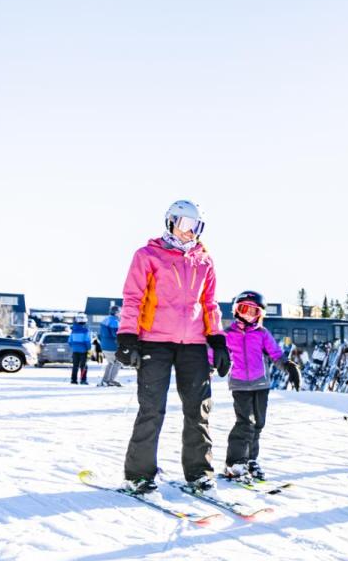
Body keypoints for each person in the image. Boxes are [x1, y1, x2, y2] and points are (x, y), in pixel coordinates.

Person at [115, 200, 228, 494]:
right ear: (171, 222)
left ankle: (199, 473)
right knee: (152, 408)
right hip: (155, 340)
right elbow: (133, 297)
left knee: (198, 411)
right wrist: (127, 336)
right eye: (187, 224)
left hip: (193, 343)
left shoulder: (204, 260)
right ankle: (138, 474)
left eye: (198, 226)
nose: (192, 232)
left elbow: (209, 303)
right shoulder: (148, 255)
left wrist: (217, 339)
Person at [217, 291, 301, 480]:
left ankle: (250, 459)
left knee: (258, 423)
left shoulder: (262, 334)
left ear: (259, 315)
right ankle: (234, 462)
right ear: (236, 311)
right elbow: (214, 355)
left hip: (261, 384)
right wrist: (208, 365)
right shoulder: (228, 334)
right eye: (243, 309)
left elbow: (276, 355)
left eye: (253, 311)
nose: (248, 314)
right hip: (239, 385)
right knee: (244, 423)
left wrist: (289, 367)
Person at [97, 305, 123, 387]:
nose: (121, 314)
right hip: (112, 346)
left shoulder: (105, 320)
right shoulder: (114, 322)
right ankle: (111, 380)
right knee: (118, 362)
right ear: (116, 313)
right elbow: (116, 335)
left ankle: (106, 380)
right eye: (120, 312)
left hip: (105, 346)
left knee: (111, 363)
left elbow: (99, 335)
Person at [68, 314, 92, 384]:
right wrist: (89, 348)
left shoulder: (73, 330)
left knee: (75, 366)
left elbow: (69, 341)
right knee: (83, 366)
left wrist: (74, 347)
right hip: (83, 350)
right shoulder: (85, 330)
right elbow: (87, 341)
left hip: (75, 350)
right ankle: (83, 380)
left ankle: (73, 380)